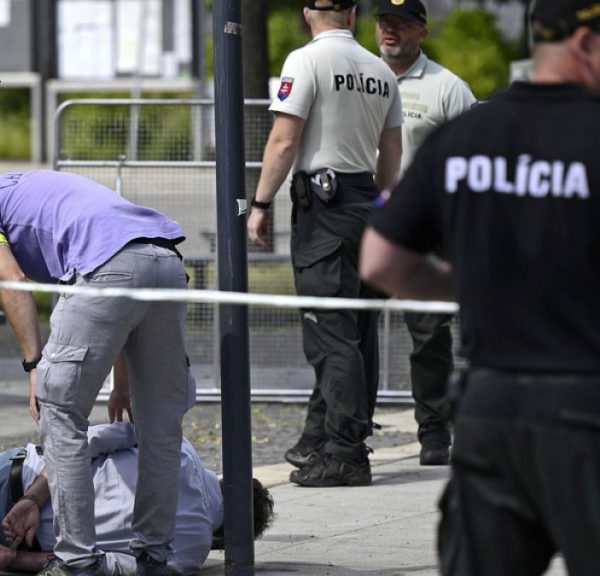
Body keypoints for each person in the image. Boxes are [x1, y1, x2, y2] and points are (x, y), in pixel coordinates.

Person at [359, 1, 600, 573]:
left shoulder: (466, 136)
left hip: (491, 412)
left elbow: (381, 260)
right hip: (585, 406)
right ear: (586, 43)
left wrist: (461, 286)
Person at [0, 170, 193, 576]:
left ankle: (75, 562)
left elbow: (12, 280)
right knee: (159, 425)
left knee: (60, 412)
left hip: (108, 264)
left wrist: (35, 366)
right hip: (164, 260)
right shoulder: (21, 195)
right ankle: (153, 559)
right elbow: (119, 301)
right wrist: (122, 386)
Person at [246, 0, 403, 487]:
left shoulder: (306, 60)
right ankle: (324, 438)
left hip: (324, 209)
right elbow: (392, 150)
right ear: (353, 15)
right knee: (357, 332)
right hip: (365, 201)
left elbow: (284, 141)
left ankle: (345, 453)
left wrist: (261, 203)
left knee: (330, 334)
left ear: (308, 13)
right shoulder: (381, 70)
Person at [0, 422, 274, 576]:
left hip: (13, 482)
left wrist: (31, 499)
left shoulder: (176, 447)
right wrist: (11, 560)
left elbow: (84, 442)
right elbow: (101, 566)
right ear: (224, 539)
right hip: (21, 545)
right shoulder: (191, 552)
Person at [374, 0, 476, 466]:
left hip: (424, 230)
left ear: (422, 32)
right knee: (349, 332)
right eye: (384, 22)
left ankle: (434, 431)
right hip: (363, 219)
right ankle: (348, 433)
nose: (390, 30)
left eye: (401, 23)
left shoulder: (448, 88)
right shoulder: (362, 77)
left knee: (429, 337)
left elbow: (472, 159)